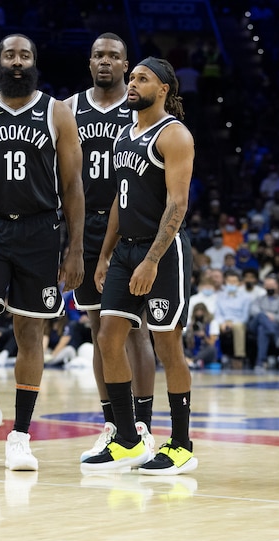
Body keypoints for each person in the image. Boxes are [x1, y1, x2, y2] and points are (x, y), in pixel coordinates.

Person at [0, 34, 85, 472]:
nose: (18, 62)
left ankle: (21, 436)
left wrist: (75, 247)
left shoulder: (57, 112)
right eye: (10, 55)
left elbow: (73, 185)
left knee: (30, 333)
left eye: (25, 55)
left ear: (35, 63)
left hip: (41, 231)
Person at [83, 56, 197, 475]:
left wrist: (151, 259)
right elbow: (120, 198)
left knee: (168, 346)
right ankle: (129, 439)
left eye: (142, 79)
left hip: (162, 253)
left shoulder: (175, 135)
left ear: (163, 88)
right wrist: (105, 253)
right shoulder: (124, 136)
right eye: (131, 79)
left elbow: (178, 204)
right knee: (109, 338)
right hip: (124, 251)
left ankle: (182, 444)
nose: (132, 84)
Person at [64, 32, 157, 462]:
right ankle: (113, 425)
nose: (105, 61)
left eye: (114, 56)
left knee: (132, 328)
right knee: (100, 330)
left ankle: (142, 425)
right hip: (84, 228)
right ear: (89, 63)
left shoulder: (139, 106)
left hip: (128, 227)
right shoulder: (68, 109)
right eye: (98, 55)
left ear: (126, 65)